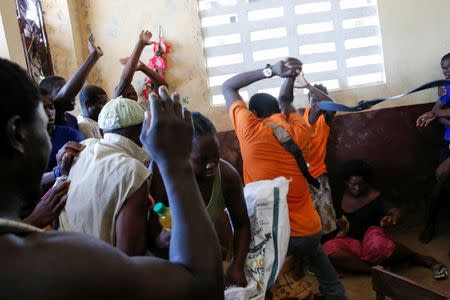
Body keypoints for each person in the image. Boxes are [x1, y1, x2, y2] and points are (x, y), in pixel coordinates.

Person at [0, 58, 222, 299]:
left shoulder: (84, 149)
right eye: (44, 128)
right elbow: (203, 288)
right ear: (18, 134)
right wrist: (176, 163)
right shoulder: (59, 263)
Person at [222, 57, 346, 299]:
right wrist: (289, 77)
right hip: (310, 229)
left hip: (276, 235)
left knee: (255, 277)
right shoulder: (299, 129)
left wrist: (273, 72)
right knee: (326, 276)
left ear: (254, 113)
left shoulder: (250, 131)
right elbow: (286, 100)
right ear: (278, 112)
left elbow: (228, 86)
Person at [149, 112, 251, 287]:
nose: (211, 164)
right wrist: (161, 239)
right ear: (181, 154)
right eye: (201, 159)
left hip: (203, 256)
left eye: (216, 155)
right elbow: (150, 236)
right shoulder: (161, 174)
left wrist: (237, 265)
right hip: (167, 261)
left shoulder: (227, 177)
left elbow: (242, 224)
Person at [323, 160, 448, 280]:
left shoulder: (374, 196)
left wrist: (393, 217)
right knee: (329, 249)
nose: (357, 188)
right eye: (353, 184)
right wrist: (339, 224)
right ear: (346, 182)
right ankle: (374, 270)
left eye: (361, 184)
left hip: (371, 238)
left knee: (379, 246)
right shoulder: (341, 194)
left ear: (367, 183)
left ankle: (417, 257)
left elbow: (395, 211)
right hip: (351, 241)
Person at [58, 97, 151, 256]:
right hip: (99, 272)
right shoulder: (135, 172)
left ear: (101, 131)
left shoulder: (82, 147)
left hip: (59, 255)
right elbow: (129, 255)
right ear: (144, 130)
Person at [293, 76, 337, 238]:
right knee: (307, 219)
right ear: (309, 100)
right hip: (301, 176)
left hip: (319, 176)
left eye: (321, 100)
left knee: (327, 218)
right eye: (314, 99)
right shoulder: (300, 115)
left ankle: (330, 246)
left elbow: (332, 104)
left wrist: (309, 86)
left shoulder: (325, 119)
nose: (318, 102)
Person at [416, 52, 450, 243]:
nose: (445, 71)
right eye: (443, 68)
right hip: (448, 139)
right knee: (440, 181)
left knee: (441, 174)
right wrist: (434, 114)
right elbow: (439, 109)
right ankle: (430, 224)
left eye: (448, 67)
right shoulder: (445, 85)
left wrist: (439, 115)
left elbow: (441, 114)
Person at [39, 35, 103, 130]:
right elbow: (63, 98)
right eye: (61, 90)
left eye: (68, 87)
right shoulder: (49, 120)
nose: (73, 94)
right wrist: (93, 57)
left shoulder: (72, 120)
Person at [41, 88, 84, 172]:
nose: (50, 113)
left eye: (51, 107)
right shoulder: (23, 144)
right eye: (42, 109)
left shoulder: (72, 136)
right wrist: (58, 172)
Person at [113, 30, 153, 100]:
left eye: (134, 94)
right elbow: (125, 81)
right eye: (128, 95)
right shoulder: (116, 107)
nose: (132, 97)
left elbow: (164, 86)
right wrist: (141, 44)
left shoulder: (139, 109)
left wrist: (143, 67)